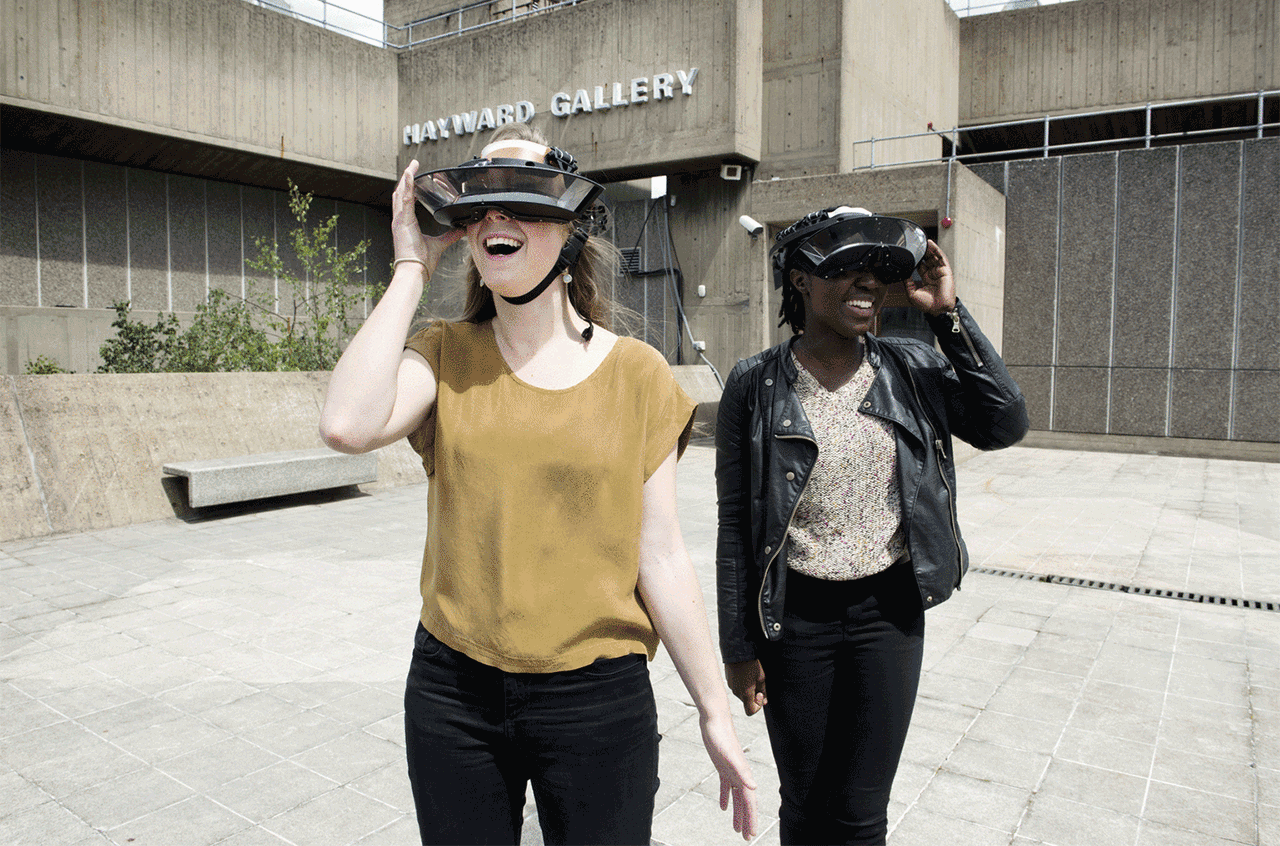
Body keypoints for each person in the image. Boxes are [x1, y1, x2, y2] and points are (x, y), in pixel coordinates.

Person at [319, 123, 758, 846]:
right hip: (453, 689)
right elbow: (345, 424)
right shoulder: (445, 353)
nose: (498, 216)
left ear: (571, 224)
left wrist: (712, 711)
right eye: (480, 201)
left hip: (597, 696)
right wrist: (411, 266)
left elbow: (662, 554)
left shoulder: (637, 373)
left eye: (523, 197)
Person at [715, 206, 1029, 845]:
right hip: (794, 621)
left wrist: (948, 315)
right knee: (805, 802)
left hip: (887, 616)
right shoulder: (755, 384)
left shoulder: (913, 367)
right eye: (845, 270)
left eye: (876, 273)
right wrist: (739, 647)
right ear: (800, 280)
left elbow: (1004, 423)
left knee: (861, 811)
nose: (867, 285)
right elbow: (734, 528)